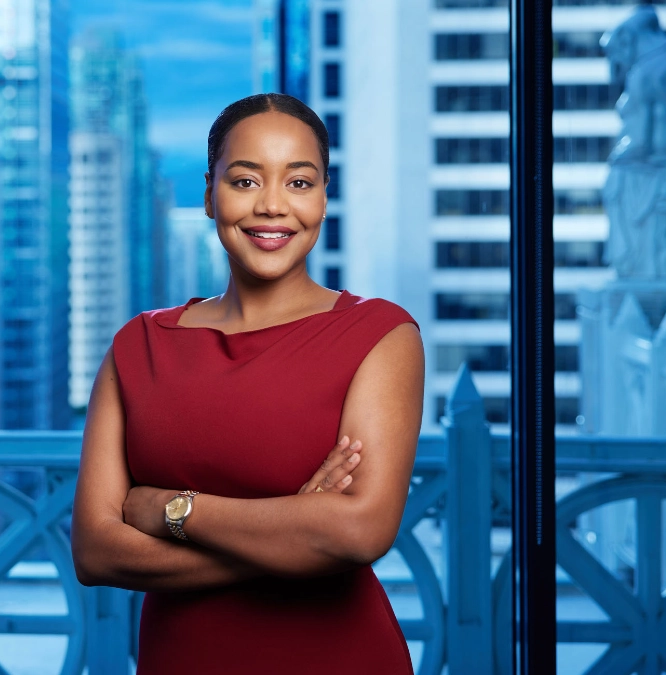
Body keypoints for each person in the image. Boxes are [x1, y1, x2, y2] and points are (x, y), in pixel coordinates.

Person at [71, 93, 424, 672]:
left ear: (325, 198)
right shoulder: (140, 346)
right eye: (244, 181)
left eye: (300, 182)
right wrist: (295, 532)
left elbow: (359, 532)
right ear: (210, 194)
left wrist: (172, 511)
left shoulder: (381, 335)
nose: (272, 206)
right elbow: (96, 551)